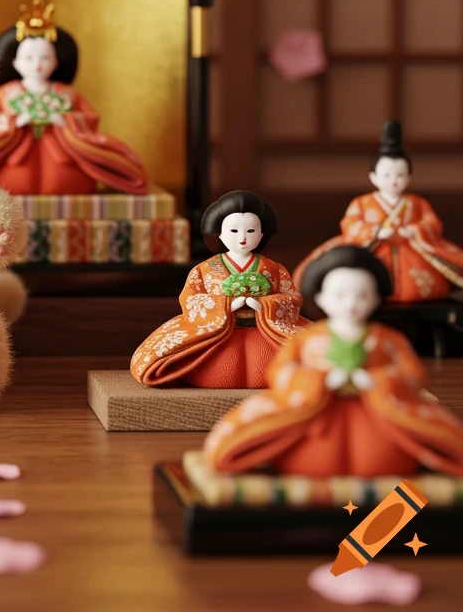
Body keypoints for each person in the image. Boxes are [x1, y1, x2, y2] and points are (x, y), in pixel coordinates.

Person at [205, 245, 463, 477]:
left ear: (376, 298)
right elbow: (281, 371)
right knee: (308, 452)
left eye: (362, 295)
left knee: (385, 454)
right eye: (340, 295)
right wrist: (320, 381)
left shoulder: (387, 340)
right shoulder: (306, 339)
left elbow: (412, 374)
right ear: (321, 298)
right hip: (317, 410)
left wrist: (376, 381)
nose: (351, 303)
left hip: (376, 411)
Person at [0, 1, 149, 195]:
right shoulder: (4, 94)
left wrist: (66, 121)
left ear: (56, 61)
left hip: (59, 151)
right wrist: (12, 121)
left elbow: (89, 118)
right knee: (8, 176)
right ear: (15, 62)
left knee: (66, 177)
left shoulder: (66, 93)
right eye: (28, 58)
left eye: (45, 58)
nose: (37, 65)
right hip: (14, 153)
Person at [132, 190, 304, 388]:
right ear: (220, 234)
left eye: (250, 231)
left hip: (263, 331)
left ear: (261, 234)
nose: (242, 238)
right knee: (207, 365)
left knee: (297, 358)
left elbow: (292, 297)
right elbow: (190, 298)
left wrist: (264, 305)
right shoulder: (204, 269)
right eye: (234, 231)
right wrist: (226, 305)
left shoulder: (274, 268)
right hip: (218, 333)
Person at [295, 120, 463, 303]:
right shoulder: (362, 202)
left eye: (400, 175)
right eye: (387, 175)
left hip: (411, 251)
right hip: (375, 251)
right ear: (373, 177)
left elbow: (433, 223)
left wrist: (414, 230)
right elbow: (350, 223)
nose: (394, 180)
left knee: (425, 286)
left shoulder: (417, 203)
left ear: (409, 176)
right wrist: (375, 232)